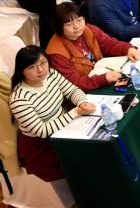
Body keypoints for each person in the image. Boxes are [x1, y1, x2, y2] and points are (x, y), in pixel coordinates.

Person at [8, 46, 95, 181]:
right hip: (42, 144)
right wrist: (76, 112)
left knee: (95, 143)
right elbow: (42, 131)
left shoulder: (51, 74)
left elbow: (72, 91)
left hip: (65, 125)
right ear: (22, 70)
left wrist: (82, 102)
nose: (40, 70)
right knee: (81, 158)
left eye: (43, 63)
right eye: (32, 67)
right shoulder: (19, 99)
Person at [45, 3, 140, 92]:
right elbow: (75, 84)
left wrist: (128, 49)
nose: (77, 26)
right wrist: (104, 78)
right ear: (59, 27)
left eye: (79, 20)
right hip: (86, 92)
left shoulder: (89, 29)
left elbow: (109, 44)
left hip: (103, 74)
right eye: (69, 24)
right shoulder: (57, 53)